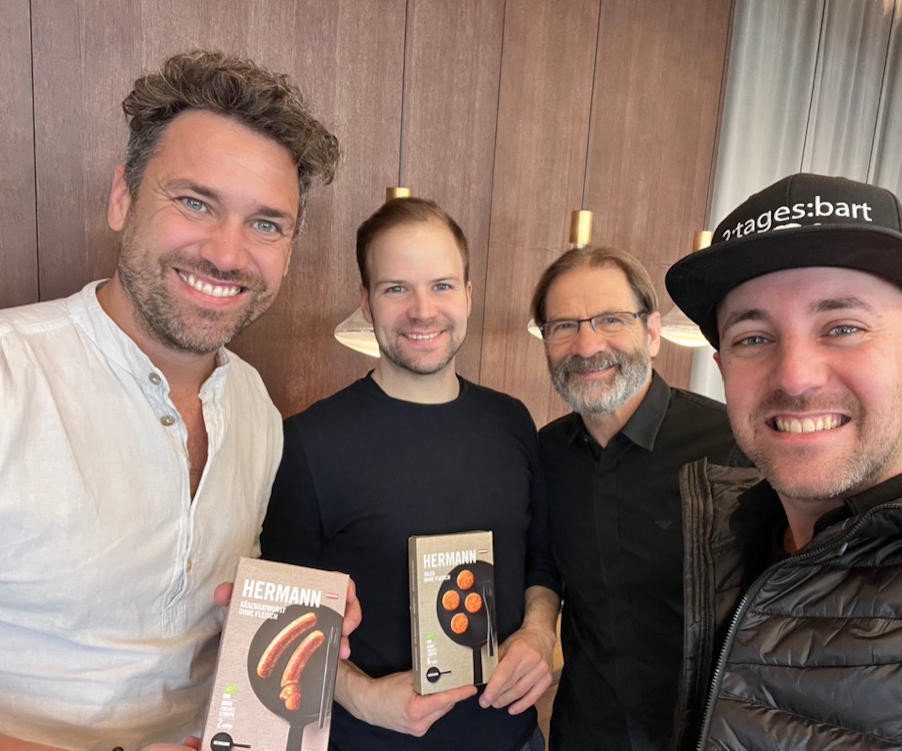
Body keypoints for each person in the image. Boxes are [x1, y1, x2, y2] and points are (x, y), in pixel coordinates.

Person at [0, 51, 359, 751]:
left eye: (266, 224)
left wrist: (286, 623)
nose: (227, 254)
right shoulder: (12, 375)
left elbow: (201, 626)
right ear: (123, 198)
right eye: (195, 202)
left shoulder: (254, 407)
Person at [664, 172, 902, 748]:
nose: (796, 377)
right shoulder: (729, 541)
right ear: (722, 373)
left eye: (843, 328)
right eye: (753, 338)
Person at [260, 197, 561, 751]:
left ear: (468, 295)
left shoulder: (512, 421)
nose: (423, 311)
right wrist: (364, 697)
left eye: (441, 286)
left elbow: (541, 561)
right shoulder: (308, 442)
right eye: (396, 288)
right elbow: (280, 619)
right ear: (366, 302)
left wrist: (540, 632)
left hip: (513, 739)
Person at [529, 246, 743, 750]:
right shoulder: (546, 452)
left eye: (611, 319)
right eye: (564, 326)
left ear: (651, 332)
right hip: (584, 735)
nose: (586, 345)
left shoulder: (731, 447)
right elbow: (542, 567)